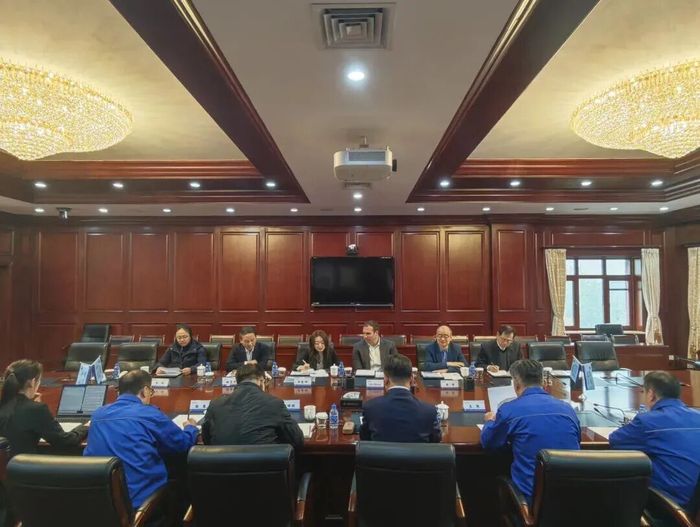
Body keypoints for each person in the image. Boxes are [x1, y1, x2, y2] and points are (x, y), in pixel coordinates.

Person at [84, 370, 199, 510]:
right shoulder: (149, 414)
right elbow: (182, 445)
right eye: (151, 391)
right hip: (140, 504)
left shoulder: (97, 414)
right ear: (145, 390)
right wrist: (191, 428)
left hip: (101, 502)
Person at [481, 359, 580, 504]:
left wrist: (490, 421)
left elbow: (489, 443)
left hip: (533, 502)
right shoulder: (567, 409)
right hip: (573, 499)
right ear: (543, 382)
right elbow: (577, 441)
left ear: (516, 384)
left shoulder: (509, 409)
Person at [609, 371, 700, 511]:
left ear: (651, 394)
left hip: (669, 505)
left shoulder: (648, 422)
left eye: (643, 392)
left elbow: (615, 440)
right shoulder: (697, 416)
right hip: (693, 504)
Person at [202, 363, 303, 447]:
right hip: (264, 464)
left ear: (237, 382)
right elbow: (297, 439)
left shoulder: (216, 404)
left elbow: (206, 440)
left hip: (222, 463)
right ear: (262, 381)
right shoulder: (274, 403)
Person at [0, 360, 88, 456]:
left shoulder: (5, 404)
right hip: (24, 465)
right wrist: (86, 427)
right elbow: (65, 442)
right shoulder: (36, 410)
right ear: (32, 382)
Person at [360, 354, 441, 443]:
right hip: (416, 452)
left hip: (381, 452)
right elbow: (436, 441)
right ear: (412, 379)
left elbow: (365, 439)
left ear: (386, 380)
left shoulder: (370, 408)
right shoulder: (429, 411)